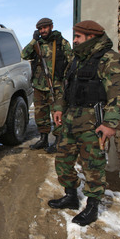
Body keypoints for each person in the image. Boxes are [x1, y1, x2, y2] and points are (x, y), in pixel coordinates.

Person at [48, 20, 120, 226]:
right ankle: (71, 196)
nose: (74, 41)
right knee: (63, 160)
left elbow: (117, 95)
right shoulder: (76, 59)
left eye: (78, 37)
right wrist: (58, 107)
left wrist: (110, 124)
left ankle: (92, 206)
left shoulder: (110, 60)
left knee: (93, 166)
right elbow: (65, 88)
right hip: (70, 119)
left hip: (93, 122)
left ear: (91, 37)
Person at [22, 18, 72, 153]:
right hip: (39, 85)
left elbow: (71, 62)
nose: (42, 31)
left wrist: (65, 80)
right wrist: (33, 41)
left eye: (45, 28)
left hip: (55, 85)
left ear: (51, 27)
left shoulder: (61, 43)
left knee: (57, 113)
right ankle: (43, 138)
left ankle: (58, 140)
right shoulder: (37, 43)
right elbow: (24, 54)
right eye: (40, 29)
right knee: (40, 113)